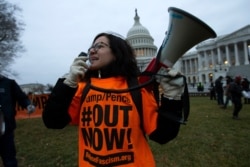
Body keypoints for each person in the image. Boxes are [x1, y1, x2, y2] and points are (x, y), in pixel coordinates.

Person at [42, 32, 189, 167]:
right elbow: (53, 121)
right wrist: (67, 83)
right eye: (91, 47)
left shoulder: (137, 88)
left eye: (100, 46)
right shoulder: (82, 88)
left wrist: (172, 97)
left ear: (117, 53)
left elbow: (162, 135)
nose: (92, 50)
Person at [0, 75, 35, 167]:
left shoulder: (9, 83)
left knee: (9, 160)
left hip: (6, 127)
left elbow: (21, 97)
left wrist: (28, 105)